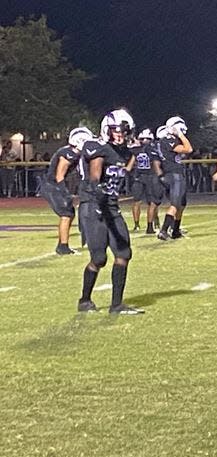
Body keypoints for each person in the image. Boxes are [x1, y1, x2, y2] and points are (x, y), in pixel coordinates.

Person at [77, 109, 142, 315]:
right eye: (116, 130)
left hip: (111, 205)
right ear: (107, 129)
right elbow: (96, 176)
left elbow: (125, 171)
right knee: (99, 259)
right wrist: (98, 190)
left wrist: (137, 153)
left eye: (124, 130)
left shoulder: (124, 152)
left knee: (124, 253)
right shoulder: (97, 147)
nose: (120, 134)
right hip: (94, 204)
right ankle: (84, 300)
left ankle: (116, 305)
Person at [39, 127, 95, 255]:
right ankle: (62, 246)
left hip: (54, 185)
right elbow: (59, 175)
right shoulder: (69, 153)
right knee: (66, 214)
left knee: (69, 213)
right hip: (53, 186)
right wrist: (64, 192)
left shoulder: (73, 152)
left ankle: (63, 245)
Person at [155, 117, 193, 240]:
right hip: (174, 175)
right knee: (175, 204)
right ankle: (164, 230)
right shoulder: (168, 140)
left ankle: (176, 230)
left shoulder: (164, 141)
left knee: (181, 204)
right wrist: (180, 135)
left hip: (171, 174)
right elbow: (188, 149)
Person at [130, 129, 162, 233]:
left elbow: (129, 166)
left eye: (146, 139)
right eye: (143, 139)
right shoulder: (153, 149)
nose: (144, 140)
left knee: (146, 202)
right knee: (148, 202)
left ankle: (141, 224)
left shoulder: (136, 150)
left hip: (142, 177)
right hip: (147, 177)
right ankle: (148, 224)